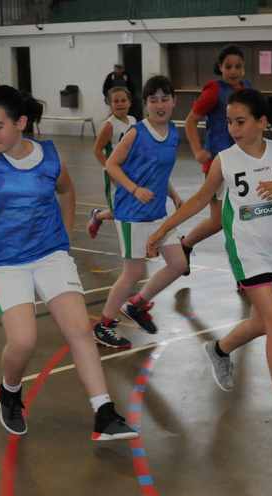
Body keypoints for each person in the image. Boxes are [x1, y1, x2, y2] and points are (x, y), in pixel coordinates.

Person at [0, 85, 137, 441]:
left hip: (50, 254)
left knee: (79, 330)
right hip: (5, 261)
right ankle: (9, 391)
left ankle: (104, 412)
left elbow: (67, 190)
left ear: (20, 123)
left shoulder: (49, 157)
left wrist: (64, 234)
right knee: (23, 341)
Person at [146, 88, 272, 431]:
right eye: (229, 122)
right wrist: (162, 230)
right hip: (246, 252)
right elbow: (199, 200)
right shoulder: (224, 161)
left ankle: (219, 349)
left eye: (240, 122)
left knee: (261, 323)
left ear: (262, 122)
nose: (233, 129)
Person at [92, 76, 188, 350]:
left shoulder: (173, 132)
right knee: (133, 272)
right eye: (153, 100)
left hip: (158, 210)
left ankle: (136, 304)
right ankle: (104, 326)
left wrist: (173, 194)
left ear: (174, 101)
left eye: (165, 99)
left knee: (178, 264)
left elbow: (158, 172)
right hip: (132, 211)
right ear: (145, 104)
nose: (160, 105)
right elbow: (111, 165)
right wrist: (134, 189)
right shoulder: (136, 133)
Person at [178, 45, 253, 269]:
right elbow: (191, 121)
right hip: (218, 164)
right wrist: (197, 150)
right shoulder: (214, 91)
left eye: (238, 66)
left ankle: (187, 245)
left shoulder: (248, 89)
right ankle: (186, 245)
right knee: (221, 220)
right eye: (228, 66)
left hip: (244, 161)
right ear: (220, 67)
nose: (234, 71)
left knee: (241, 216)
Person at [86, 87, 136, 238]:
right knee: (118, 210)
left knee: (132, 205)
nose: (120, 104)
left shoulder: (133, 120)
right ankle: (97, 216)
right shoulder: (109, 125)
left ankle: (99, 216)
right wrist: (110, 170)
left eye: (123, 100)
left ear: (130, 102)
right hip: (114, 172)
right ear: (109, 103)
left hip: (131, 171)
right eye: (116, 101)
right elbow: (97, 150)